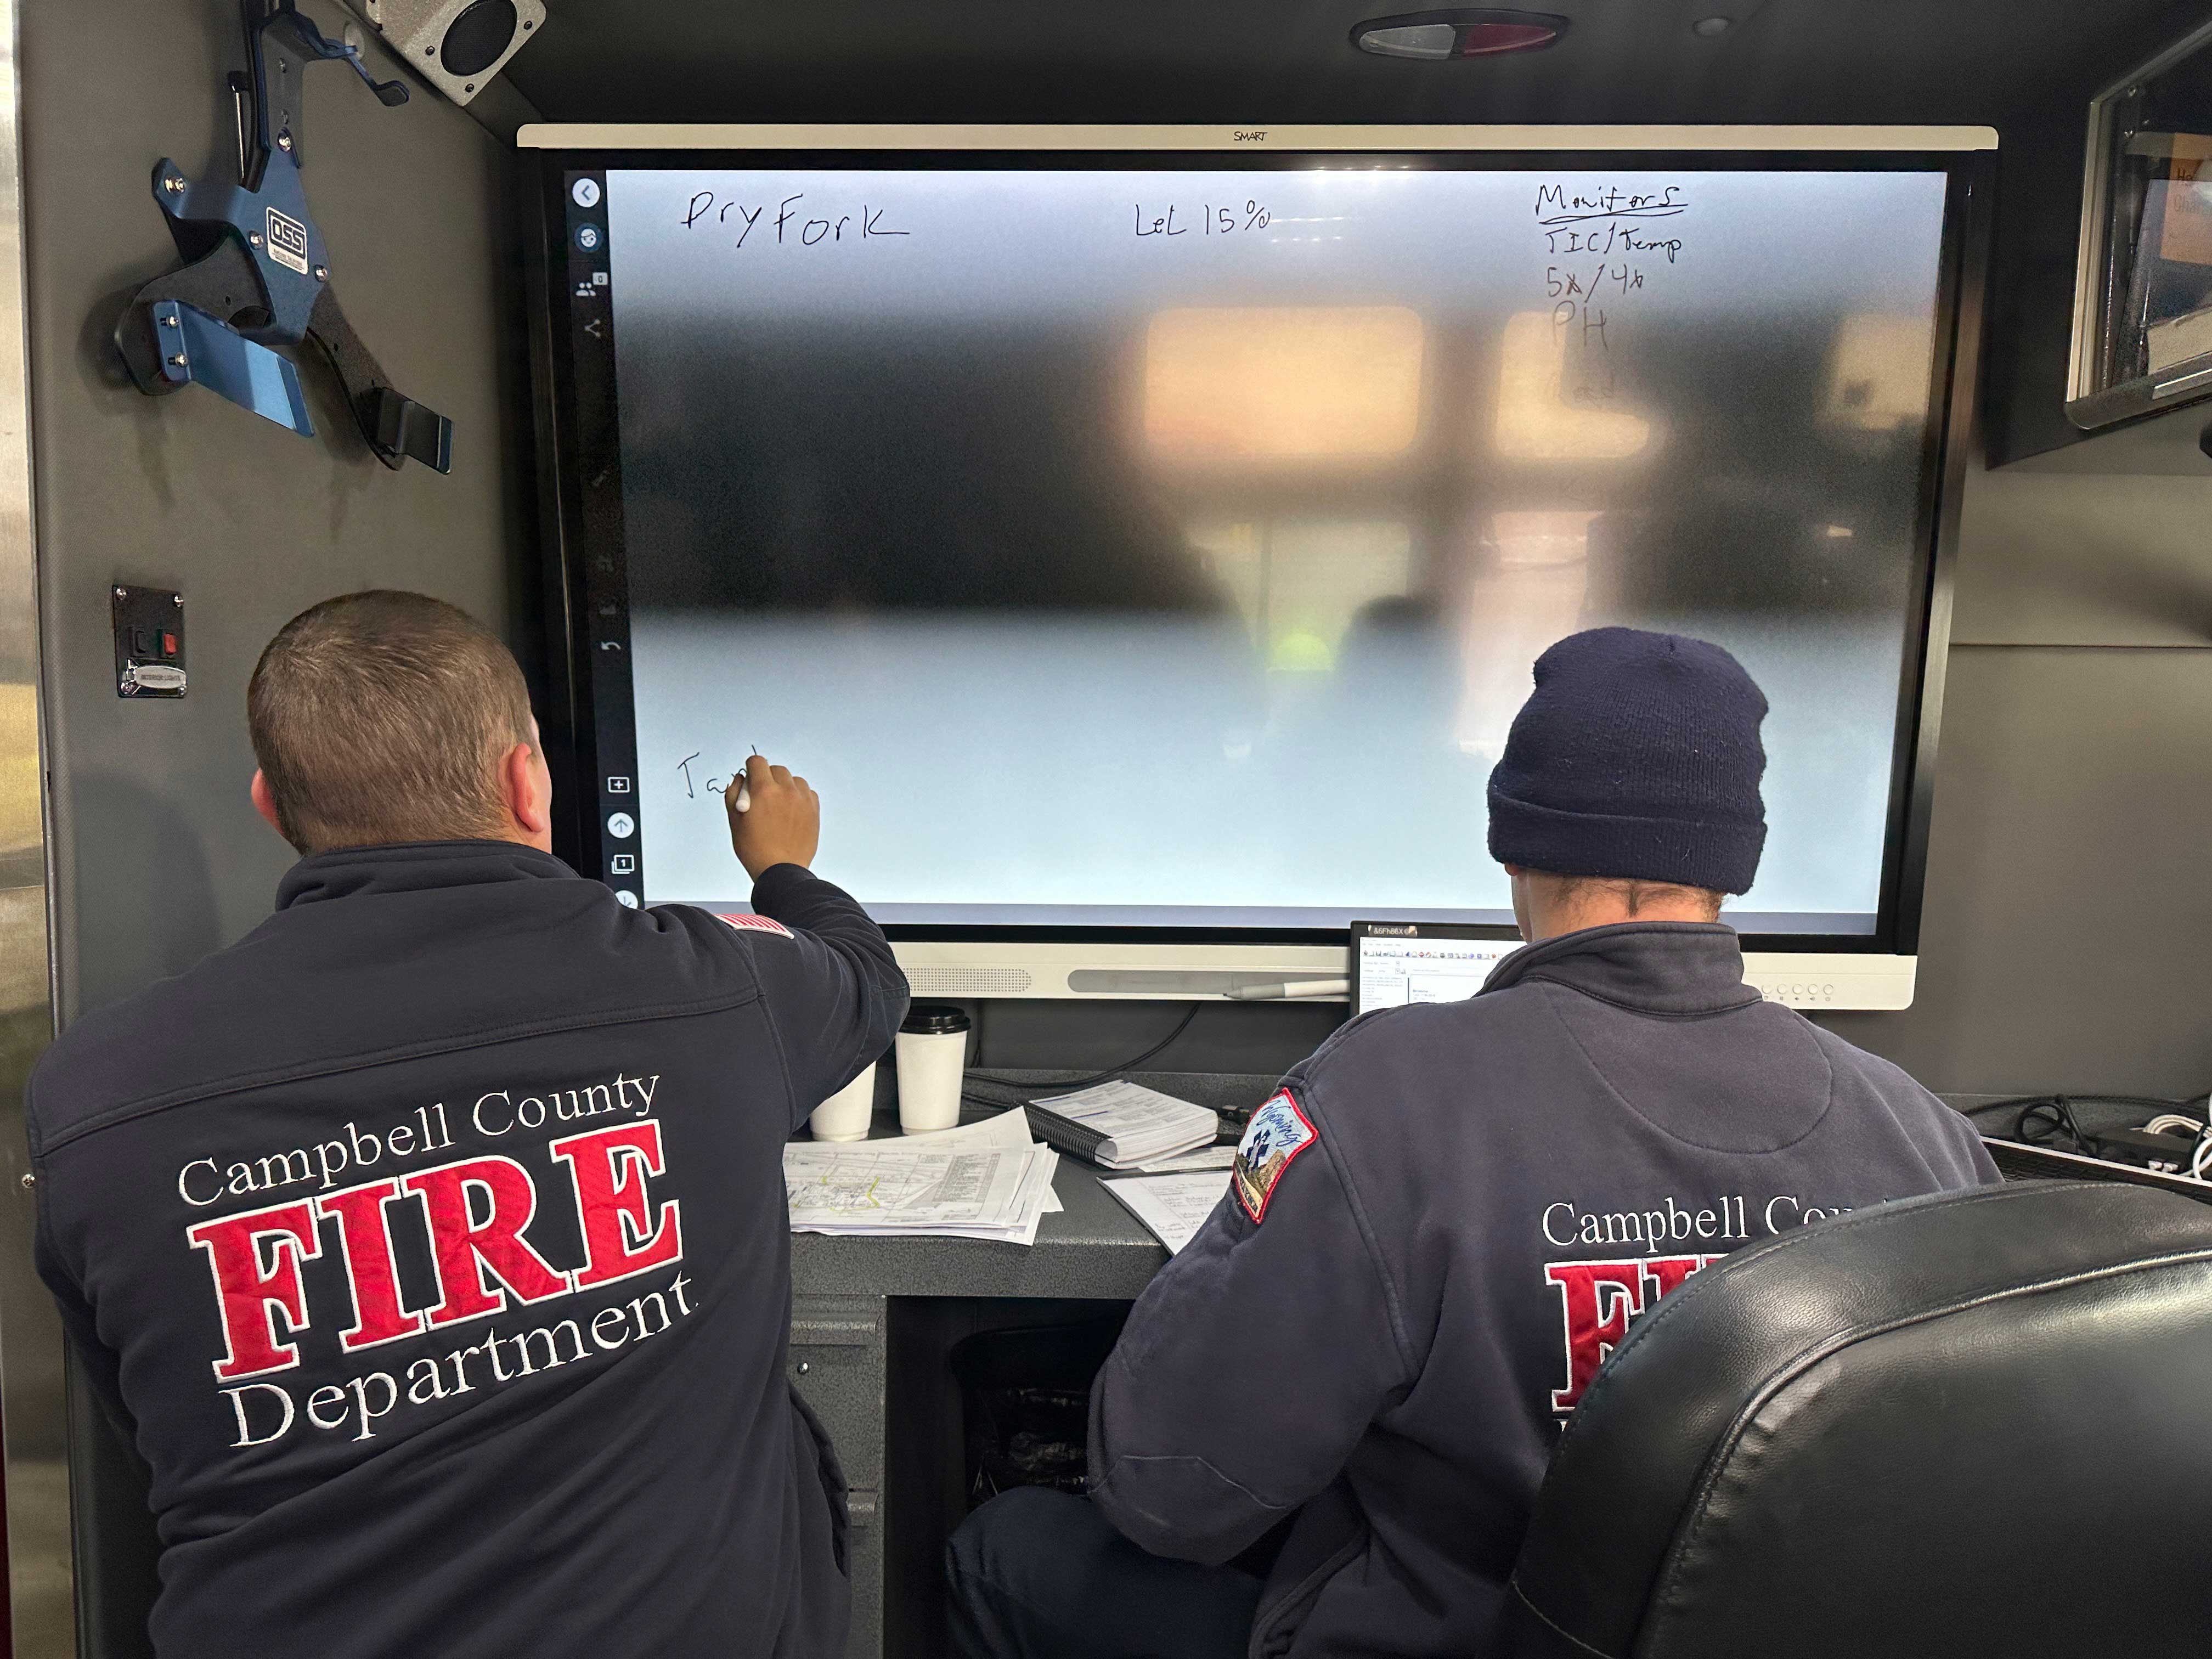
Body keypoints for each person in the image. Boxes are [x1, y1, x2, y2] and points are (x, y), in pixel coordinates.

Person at [945, 626, 1997, 1659]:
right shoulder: (1926, 1136)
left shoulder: (1383, 1098)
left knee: (1004, 1552)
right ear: (1737, 862)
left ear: (1516, 841)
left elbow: (1168, 1490)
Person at [27, 591, 907, 1658]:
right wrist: (783, 867)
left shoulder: (95, 1099)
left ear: (273, 804)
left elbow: (153, 1429)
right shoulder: (724, 990)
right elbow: (866, 977)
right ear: (525, 780)